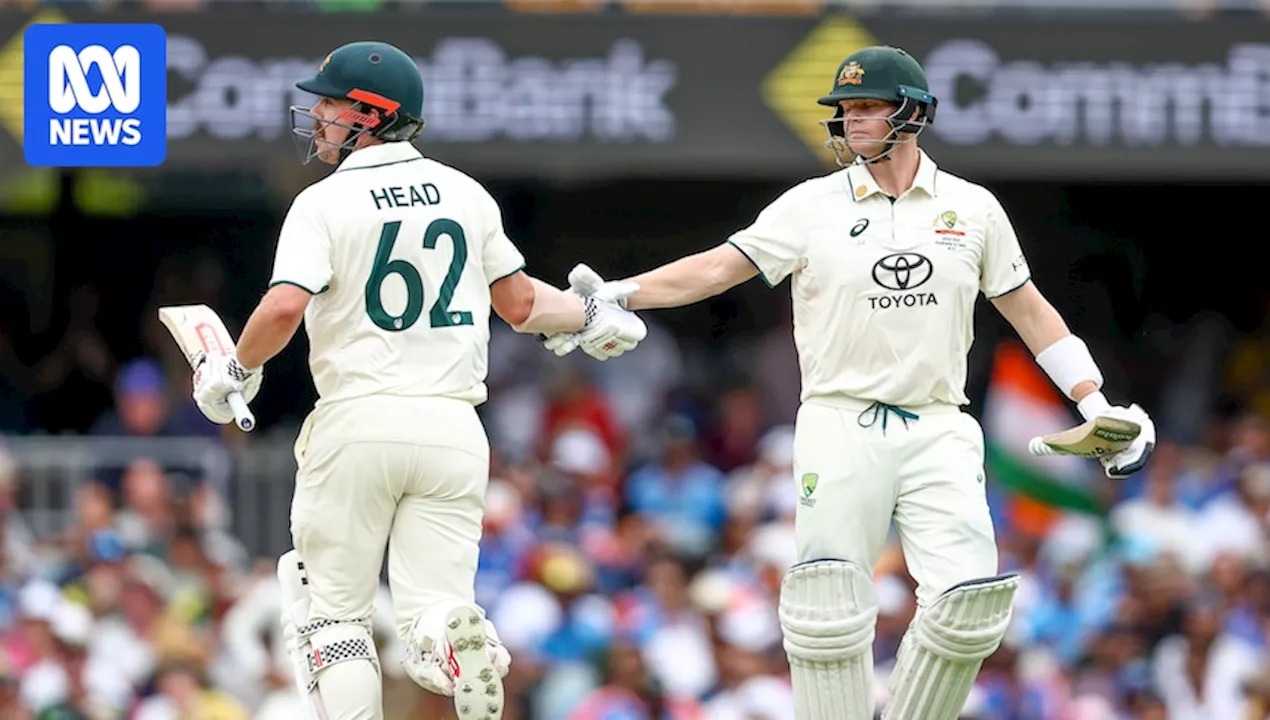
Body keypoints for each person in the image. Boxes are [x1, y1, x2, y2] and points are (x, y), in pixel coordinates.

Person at [540, 45, 1156, 720]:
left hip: (938, 422)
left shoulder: (972, 209)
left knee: (970, 605)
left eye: (866, 107)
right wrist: (621, 295)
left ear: (912, 113)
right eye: (846, 110)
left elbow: (1030, 309)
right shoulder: (811, 206)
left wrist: (1092, 400)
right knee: (828, 609)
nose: (851, 122)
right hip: (839, 420)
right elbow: (718, 269)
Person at [185, 40, 646, 720]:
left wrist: (236, 369)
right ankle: (460, 646)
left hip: (359, 420)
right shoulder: (467, 194)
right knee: (432, 612)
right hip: (454, 429)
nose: (317, 117)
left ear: (371, 114)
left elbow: (284, 306)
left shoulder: (324, 202)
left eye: (331, 105)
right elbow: (522, 306)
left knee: (334, 616)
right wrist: (589, 313)